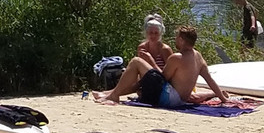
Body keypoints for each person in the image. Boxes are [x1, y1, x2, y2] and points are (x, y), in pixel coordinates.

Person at [94, 25, 230, 107]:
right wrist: (222, 98)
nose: (175, 40)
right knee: (143, 80)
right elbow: (209, 80)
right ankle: (112, 93)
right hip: (181, 100)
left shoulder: (177, 57)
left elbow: (161, 79)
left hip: (169, 98)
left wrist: (151, 61)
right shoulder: (198, 56)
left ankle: (113, 94)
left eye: (177, 38)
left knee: (136, 61)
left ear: (182, 40)